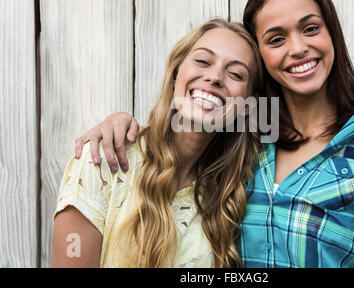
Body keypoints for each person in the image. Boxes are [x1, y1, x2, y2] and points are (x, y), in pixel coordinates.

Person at [74, 0, 354, 267]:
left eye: (310, 28)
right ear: (261, 58)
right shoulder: (244, 143)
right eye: (276, 39)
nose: (297, 48)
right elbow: (181, 136)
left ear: (331, 35)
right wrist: (119, 122)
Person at [51, 18, 264, 267]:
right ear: (176, 74)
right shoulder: (104, 159)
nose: (215, 77)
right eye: (203, 61)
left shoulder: (234, 191)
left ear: (249, 106)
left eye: (236, 74)